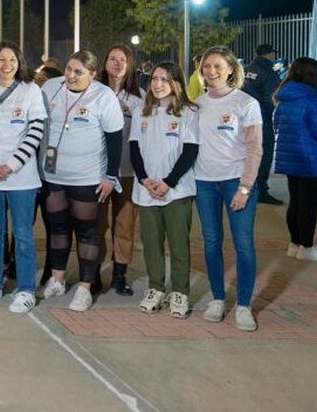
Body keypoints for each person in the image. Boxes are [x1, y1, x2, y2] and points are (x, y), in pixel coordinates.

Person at [40, 51, 125, 312]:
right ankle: (57, 279)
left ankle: (85, 288)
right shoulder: (50, 87)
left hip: (87, 177)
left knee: (87, 231)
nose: (71, 75)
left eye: (79, 72)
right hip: (53, 175)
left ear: (93, 75)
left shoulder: (103, 96)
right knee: (57, 228)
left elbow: (115, 140)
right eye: (69, 68)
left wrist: (110, 176)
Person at [0, 41, 47, 314]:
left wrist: (12, 165)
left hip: (22, 176)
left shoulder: (31, 90)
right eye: (1, 59)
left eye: (12, 59)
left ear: (19, 62)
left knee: (23, 233)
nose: (7, 65)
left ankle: (26, 289)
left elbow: (35, 131)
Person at [194, 46, 262, 332]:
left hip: (236, 181)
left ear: (231, 69)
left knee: (243, 245)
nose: (211, 71)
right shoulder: (197, 104)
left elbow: (255, 149)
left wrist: (245, 188)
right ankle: (218, 299)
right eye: (207, 66)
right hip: (204, 183)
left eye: (218, 66)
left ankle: (244, 305)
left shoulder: (246, 103)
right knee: (211, 243)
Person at [130, 62, 198, 318]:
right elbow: (134, 149)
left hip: (176, 190)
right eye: (155, 79)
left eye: (165, 79)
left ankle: (180, 292)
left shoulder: (189, 112)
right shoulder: (141, 111)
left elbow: (190, 151)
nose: (158, 84)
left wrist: (168, 182)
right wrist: (144, 179)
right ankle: (156, 288)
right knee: (151, 244)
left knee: (178, 245)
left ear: (176, 83)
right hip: (147, 190)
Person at [274, 57, 317, 262]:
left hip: (292, 157)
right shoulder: (312, 99)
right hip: (313, 160)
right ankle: (307, 248)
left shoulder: (284, 97)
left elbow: (277, 125)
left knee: (296, 203)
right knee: (309, 206)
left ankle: (295, 244)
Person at [98, 44, 146, 296]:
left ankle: (119, 274)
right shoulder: (93, 92)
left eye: (123, 60)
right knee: (96, 224)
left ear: (130, 65)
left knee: (125, 224)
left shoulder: (139, 97)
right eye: (112, 58)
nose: (117, 63)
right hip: (97, 171)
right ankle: (92, 271)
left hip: (127, 171)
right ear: (104, 63)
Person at [243, 44, 283, 205]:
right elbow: (271, 99)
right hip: (261, 121)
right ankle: (260, 191)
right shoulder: (268, 73)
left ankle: (245, 188)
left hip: (240, 120)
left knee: (244, 155)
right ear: (270, 54)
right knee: (263, 155)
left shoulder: (244, 70)